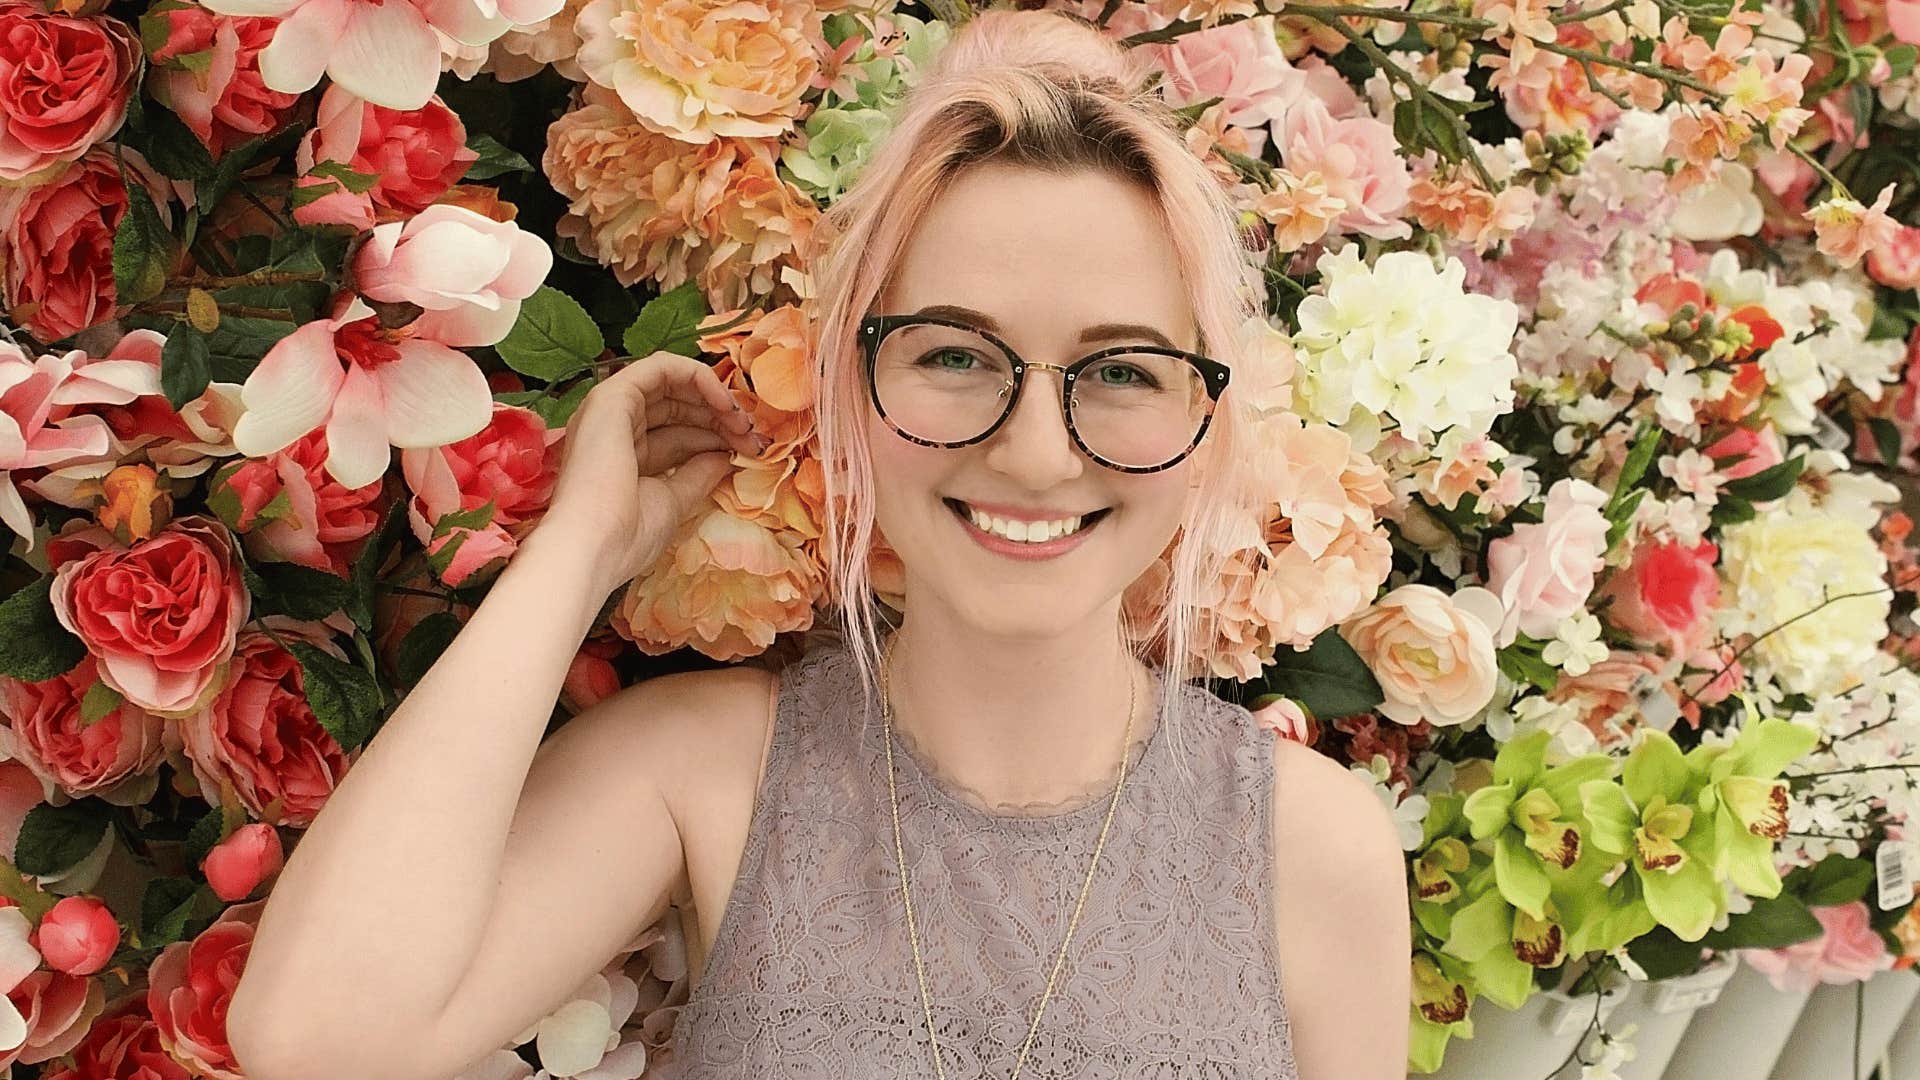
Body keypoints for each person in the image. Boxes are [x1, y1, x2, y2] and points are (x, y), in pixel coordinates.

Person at [223, 7, 1411, 1079]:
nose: (1040, 454)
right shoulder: (708, 770)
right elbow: (322, 1037)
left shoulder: (1313, 848)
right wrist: (579, 555)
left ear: (1207, 420)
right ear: (848, 388)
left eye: (1121, 372)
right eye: (953, 354)